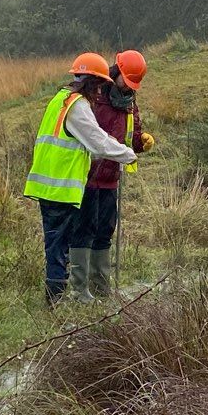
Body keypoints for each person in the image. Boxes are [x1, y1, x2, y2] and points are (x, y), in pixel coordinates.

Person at [22, 53, 136, 303]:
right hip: (60, 188)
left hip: (49, 186)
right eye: (98, 85)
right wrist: (126, 154)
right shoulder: (78, 106)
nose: (100, 91)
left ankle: (58, 299)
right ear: (90, 81)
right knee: (59, 248)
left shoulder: (60, 99)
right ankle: (57, 303)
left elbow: (82, 144)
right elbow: (97, 141)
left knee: (56, 246)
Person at [70, 49, 156, 299]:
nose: (129, 88)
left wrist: (141, 142)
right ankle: (79, 288)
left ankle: (101, 287)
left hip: (111, 178)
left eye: (133, 85)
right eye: (126, 82)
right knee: (84, 229)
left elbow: (131, 135)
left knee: (105, 230)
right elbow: (90, 135)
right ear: (116, 72)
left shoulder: (130, 102)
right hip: (87, 175)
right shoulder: (94, 96)